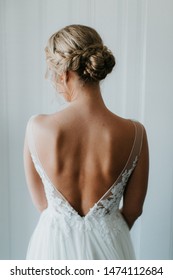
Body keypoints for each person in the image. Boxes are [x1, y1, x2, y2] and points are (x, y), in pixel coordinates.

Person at [24, 24, 149, 259]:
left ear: (65, 74)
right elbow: (134, 210)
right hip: (110, 247)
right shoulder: (135, 133)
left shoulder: (36, 127)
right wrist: (105, 234)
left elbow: (42, 204)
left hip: (53, 247)